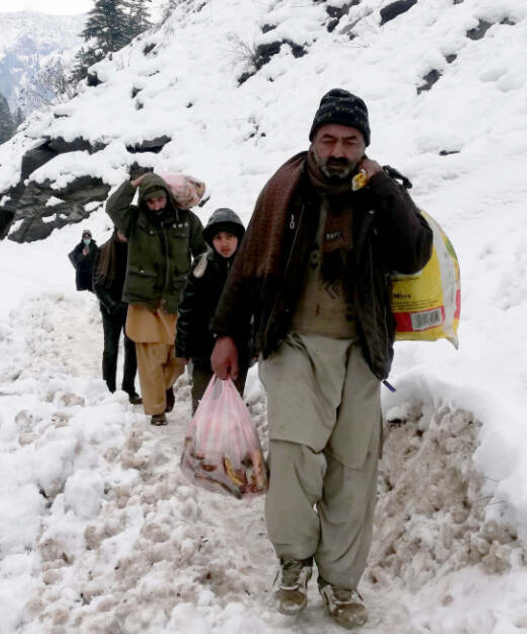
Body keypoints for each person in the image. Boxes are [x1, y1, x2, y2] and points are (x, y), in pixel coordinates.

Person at [210, 88, 433, 628]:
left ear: (365, 146)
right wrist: (226, 333)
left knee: (353, 469)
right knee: (292, 458)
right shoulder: (284, 190)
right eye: (328, 139)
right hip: (293, 344)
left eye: (350, 141)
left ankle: (340, 581)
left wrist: (383, 188)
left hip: (360, 348)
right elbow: (247, 269)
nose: (338, 150)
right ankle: (292, 563)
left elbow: (414, 253)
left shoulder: (381, 192)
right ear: (313, 140)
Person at [105, 171, 207, 425]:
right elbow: (113, 207)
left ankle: (163, 388)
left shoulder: (187, 220)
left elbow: (203, 251)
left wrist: (200, 279)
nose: (156, 206)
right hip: (145, 301)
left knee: (177, 358)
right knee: (150, 359)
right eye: (150, 202)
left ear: (167, 198)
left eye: (160, 200)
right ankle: (156, 410)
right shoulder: (133, 220)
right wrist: (133, 184)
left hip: (177, 300)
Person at [175, 208, 249, 413]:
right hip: (203, 352)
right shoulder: (202, 266)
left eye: (230, 236)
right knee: (203, 404)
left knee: (231, 405)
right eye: (218, 237)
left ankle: (228, 443)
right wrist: (183, 348)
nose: (224, 243)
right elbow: (187, 309)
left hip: (238, 352)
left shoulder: (248, 267)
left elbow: (256, 310)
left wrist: (255, 345)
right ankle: (203, 442)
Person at [93, 230, 142, 405]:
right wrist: (112, 305)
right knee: (111, 350)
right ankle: (109, 391)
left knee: (132, 348)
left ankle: (129, 389)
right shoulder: (104, 250)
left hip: (132, 307)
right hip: (110, 309)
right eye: (121, 229)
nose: (124, 233)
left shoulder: (137, 249)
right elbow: (97, 284)